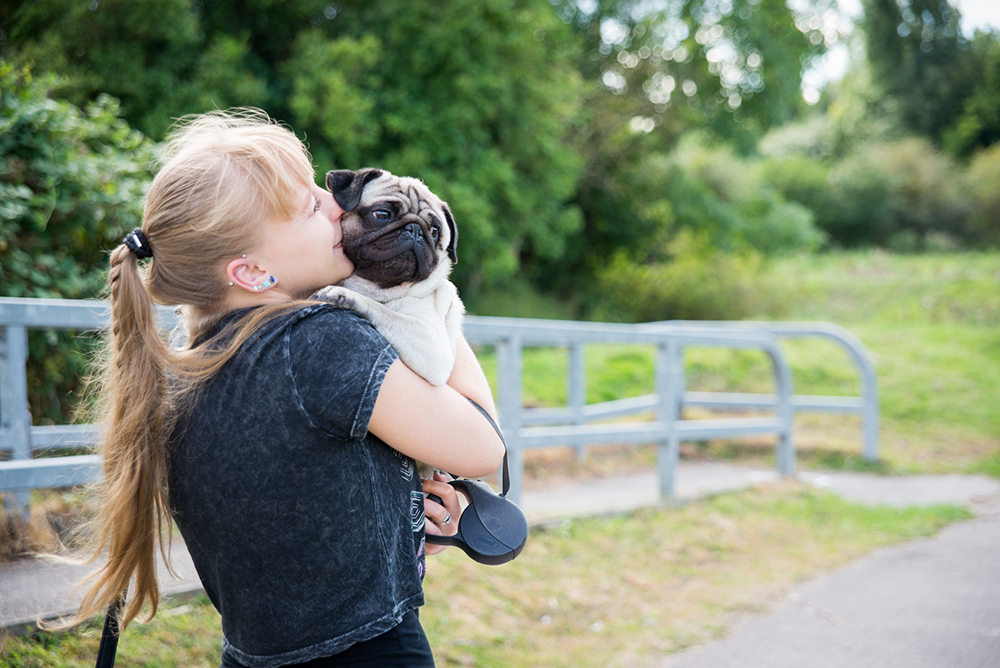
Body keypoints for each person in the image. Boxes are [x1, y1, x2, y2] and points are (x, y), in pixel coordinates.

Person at [73, 108, 506, 667]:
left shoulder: (187, 371)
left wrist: (386, 519)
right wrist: (431, 294)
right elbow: (484, 446)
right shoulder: (319, 342)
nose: (334, 204)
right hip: (371, 653)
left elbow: (296, 523)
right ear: (252, 273)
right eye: (308, 206)